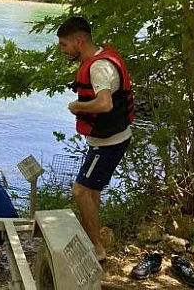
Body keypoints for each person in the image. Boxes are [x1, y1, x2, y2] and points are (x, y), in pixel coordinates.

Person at [57, 17, 133, 262]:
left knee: (81, 191)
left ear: (79, 41)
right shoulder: (99, 58)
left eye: (64, 45)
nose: (63, 50)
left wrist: (78, 105)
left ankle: (97, 249)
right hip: (108, 139)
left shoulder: (99, 67)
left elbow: (104, 103)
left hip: (109, 143)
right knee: (93, 192)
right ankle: (95, 243)